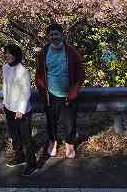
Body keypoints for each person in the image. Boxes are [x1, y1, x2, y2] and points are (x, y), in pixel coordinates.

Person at [35, 23, 85, 159]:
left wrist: (75, 89)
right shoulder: (44, 52)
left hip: (68, 94)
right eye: (51, 34)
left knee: (70, 122)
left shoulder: (71, 51)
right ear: (48, 37)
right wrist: (41, 89)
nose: (54, 37)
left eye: (56, 34)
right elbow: (39, 73)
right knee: (51, 121)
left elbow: (81, 72)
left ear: (62, 35)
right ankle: (53, 141)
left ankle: (69, 143)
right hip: (50, 93)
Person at [0, 44, 37, 177]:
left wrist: (20, 110)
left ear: (17, 55)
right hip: (9, 107)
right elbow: (4, 85)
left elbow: (26, 92)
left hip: (22, 111)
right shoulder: (5, 68)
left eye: (10, 53)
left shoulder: (23, 71)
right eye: (6, 53)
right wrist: (2, 101)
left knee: (26, 138)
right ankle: (19, 157)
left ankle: (32, 164)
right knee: (14, 136)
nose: (7, 55)